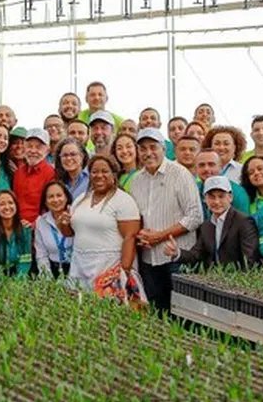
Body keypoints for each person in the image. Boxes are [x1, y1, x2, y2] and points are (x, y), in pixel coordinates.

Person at [130, 128, 203, 314]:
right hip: (148, 259)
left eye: (153, 147)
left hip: (176, 258)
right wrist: (140, 235)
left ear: (163, 148)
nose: (148, 153)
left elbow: (195, 216)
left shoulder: (180, 173)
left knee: (183, 315)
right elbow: (137, 217)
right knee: (156, 314)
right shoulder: (136, 180)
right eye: (143, 148)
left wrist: (159, 237)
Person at [58, 154, 140, 290]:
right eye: (94, 172)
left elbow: (130, 237)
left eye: (104, 171)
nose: (99, 175)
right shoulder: (80, 199)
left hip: (109, 268)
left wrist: (123, 272)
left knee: (107, 310)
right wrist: (63, 223)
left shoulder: (124, 200)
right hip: (79, 265)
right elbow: (70, 233)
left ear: (114, 174)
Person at [168, 176, 259, 269]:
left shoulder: (244, 221)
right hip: (212, 279)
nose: (216, 201)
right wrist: (177, 252)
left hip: (237, 280)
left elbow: (249, 259)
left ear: (230, 197)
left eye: (221, 196)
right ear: (205, 199)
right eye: (212, 197)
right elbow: (196, 255)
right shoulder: (206, 225)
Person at [13, 128, 56, 225]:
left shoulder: (51, 173)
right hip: (17, 226)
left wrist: (35, 224)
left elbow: (51, 207)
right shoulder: (18, 172)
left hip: (40, 228)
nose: (33, 151)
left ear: (47, 150)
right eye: (29, 146)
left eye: (38, 147)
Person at [34, 181, 75, 278]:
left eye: (59, 195)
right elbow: (41, 255)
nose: (55, 200)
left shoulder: (75, 217)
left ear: (66, 198)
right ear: (45, 201)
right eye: (51, 197)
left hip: (76, 271)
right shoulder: (41, 222)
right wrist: (47, 280)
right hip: (52, 271)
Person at [194, 149, 250, 214]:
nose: (206, 169)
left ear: (220, 167)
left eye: (211, 164)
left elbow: (243, 221)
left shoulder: (237, 192)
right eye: (202, 165)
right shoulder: (194, 189)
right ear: (196, 169)